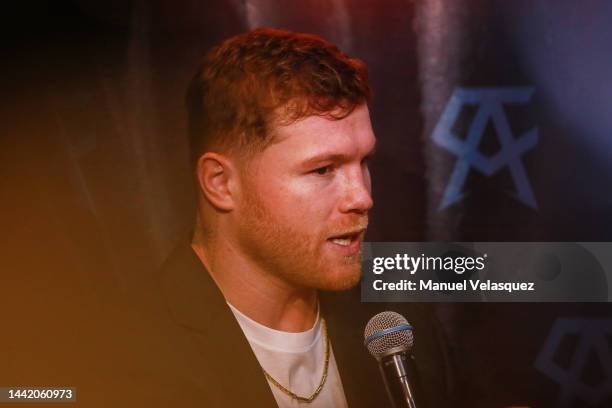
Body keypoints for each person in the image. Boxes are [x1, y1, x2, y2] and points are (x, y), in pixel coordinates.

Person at [155, 27, 451, 407]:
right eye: (323, 169)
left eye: (364, 162)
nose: (361, 197)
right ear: (221, 183)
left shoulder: (399, 327)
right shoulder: (126, 353)